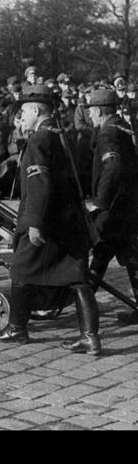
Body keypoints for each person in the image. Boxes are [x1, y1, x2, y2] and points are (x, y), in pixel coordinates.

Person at [0, 85, 101, 355]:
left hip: (47, 223)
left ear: (36, 110)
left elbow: (40, 183)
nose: (21, 118)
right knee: (77, 279)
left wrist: (34, 223)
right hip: (70, 222)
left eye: (23, 112)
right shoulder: (65, 136)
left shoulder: (39, 139)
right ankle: (90, 337)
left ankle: (16, 329)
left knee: (21, 270)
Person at [83, 90, 138, 326]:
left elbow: (113, 167)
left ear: (98, 111)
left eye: (91, 112)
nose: (90, 116)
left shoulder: (106, 132)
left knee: (103, 252)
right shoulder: (124, 127)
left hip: (113, 208)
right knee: (126, 255)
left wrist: (99, 202)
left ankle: (83, 313)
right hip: (128, 206)